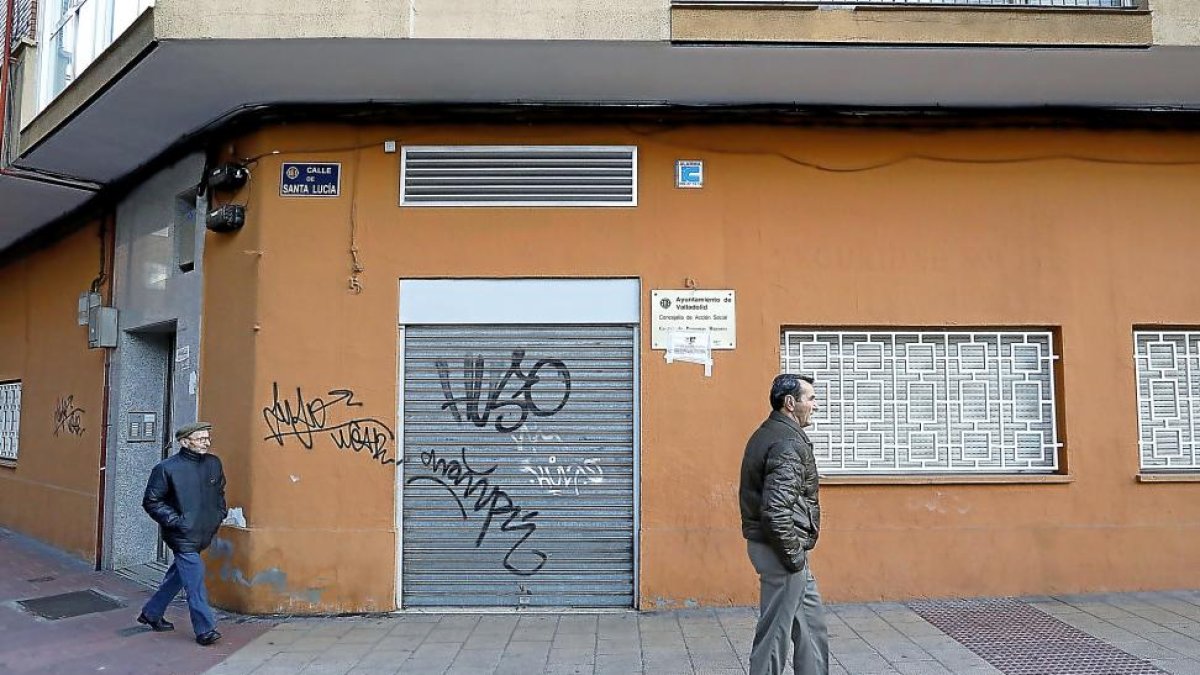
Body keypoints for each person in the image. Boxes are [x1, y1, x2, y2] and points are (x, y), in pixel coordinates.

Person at [739, 374, 828, 675]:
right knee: (775, 634)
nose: (816, 405)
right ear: (790, 403)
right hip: (780, 550)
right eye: (811, 398)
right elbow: (776, 511)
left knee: (811, 625)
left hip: (784, 548)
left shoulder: (773, 433)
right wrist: (794, 557)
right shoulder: (787, 442)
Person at [136, 421, 227, 646]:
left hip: (204, 531)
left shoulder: (214, 463)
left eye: (207, 438)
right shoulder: (166, 468)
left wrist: (219, 513)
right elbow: (152, 501)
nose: (206, 442)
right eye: (200, 439)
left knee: (179, 575)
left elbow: (219, 492)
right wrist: (177, 522)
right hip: (181, 535)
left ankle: (151, 613)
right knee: (195, 579)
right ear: (184, 442)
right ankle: (205, 629)